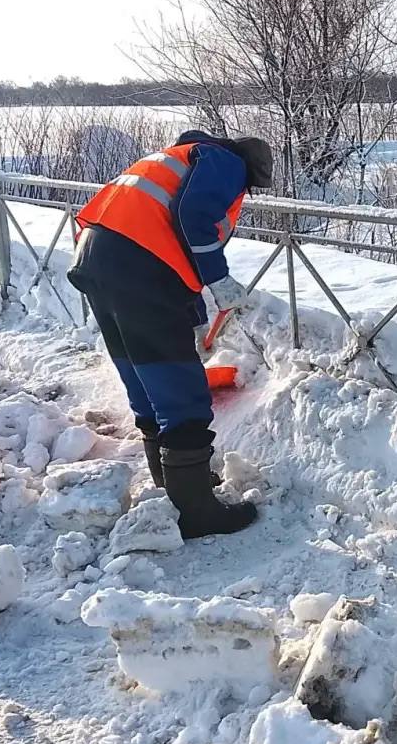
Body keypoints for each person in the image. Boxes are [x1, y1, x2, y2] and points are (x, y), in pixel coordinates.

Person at [68, 130, 273, 538]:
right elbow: (192, 218)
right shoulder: (225, 162)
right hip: (139, 265)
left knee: (143, 374)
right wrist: (219, 278)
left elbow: (168, 237)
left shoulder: (174, 160)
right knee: (179, 387)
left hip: (97, 257)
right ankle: (196, 512)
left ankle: (175, 486)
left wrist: (193, 313)